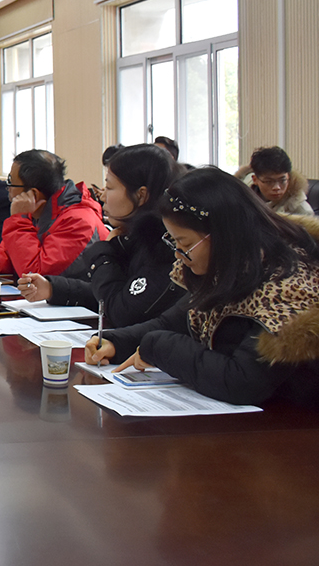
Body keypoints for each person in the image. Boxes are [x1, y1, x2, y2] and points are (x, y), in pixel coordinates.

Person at [87, 168, 319, 407]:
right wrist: (116, 342)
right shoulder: (228, 266)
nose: (178, 254)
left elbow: (243, 382)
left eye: (184, 243)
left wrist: (158, 347)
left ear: (221, 235)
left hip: (293, 420)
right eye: (173, 241)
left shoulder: (292, 282)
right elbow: (176, 321)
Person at [17, 144, 184, 327]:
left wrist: (106, 252)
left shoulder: (164, 248)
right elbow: (109, 292)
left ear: (141, 195)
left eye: (110, 187)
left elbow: (121, 311)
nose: (102, 196)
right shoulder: (132, 236)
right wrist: (52, 288)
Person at [0, 149, 108, 276]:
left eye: (11, 182)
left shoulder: (78, 221)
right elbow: (10, 255)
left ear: (34, 194)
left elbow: (35, 274)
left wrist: (18, 220)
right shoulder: (37, 211)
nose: (7, 188)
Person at [234, 146, 314, 216]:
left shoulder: (302, 211)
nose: (277, 187)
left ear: (288, 177)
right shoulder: (239, 194)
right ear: (255, 179)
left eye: (282, 180)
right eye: (269, 182)